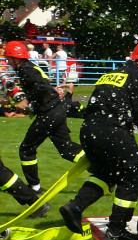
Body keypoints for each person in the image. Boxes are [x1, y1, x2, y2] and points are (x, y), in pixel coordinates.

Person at [59, 42, 138, 240]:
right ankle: (116, 229)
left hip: (89, 129)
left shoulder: (114, 73)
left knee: (106, 173)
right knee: (133, 175)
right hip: (113, 131)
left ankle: (74, 207)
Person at [4, 41, 85, 191]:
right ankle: (103, 170)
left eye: (8, 59)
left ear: (15, 58)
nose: (8, 62)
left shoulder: (25, 71)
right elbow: (44, 85)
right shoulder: (30, 67)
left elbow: (40, 88)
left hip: (49, 113)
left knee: (26, 149)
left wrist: (27, 102)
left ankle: (34, 187)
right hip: (56, 110)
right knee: (67, 150)